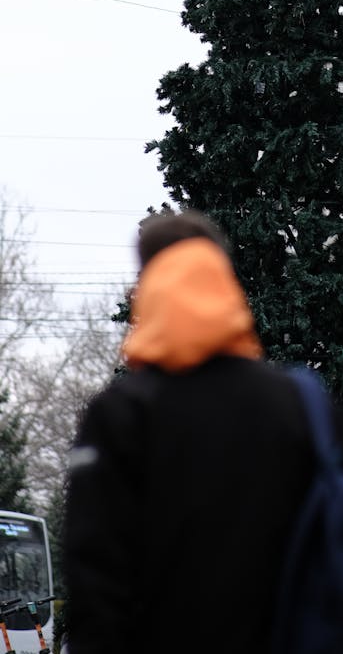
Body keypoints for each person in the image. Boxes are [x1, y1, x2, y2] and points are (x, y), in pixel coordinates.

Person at [64, 210, 316, 654]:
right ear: (221, 277)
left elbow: (93, 570)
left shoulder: (119, 414)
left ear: (150, 283)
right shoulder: (299, 402)